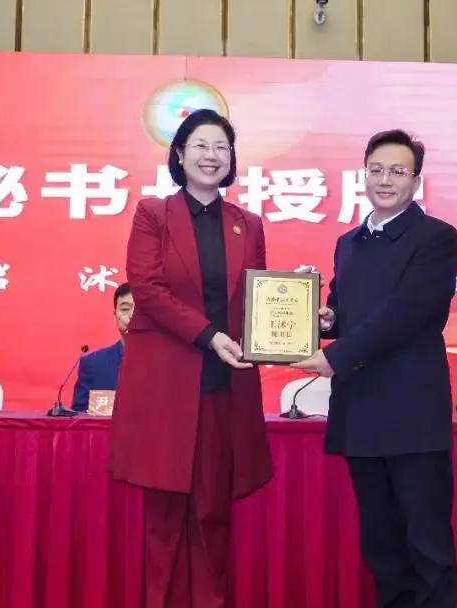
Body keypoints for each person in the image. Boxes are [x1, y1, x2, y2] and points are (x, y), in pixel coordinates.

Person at [109, 109, 272, 608]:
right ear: (179, 154)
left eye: (221, 147)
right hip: (167, 387)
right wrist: (208, 335)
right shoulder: (153, 214)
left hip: (223, 386)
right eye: (200, 145)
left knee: (212, 514)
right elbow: (147, 289)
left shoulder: (248, 224)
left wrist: (298, 319)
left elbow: (257, 300)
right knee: (163, 517)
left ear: (231, 159)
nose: (211, 155)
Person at [293, 129, 457, 608]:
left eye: (398, 171)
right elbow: (346, 310)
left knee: (427, 545)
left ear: (416, 182)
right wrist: (324, 320)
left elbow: (407, 313)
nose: (385, 180)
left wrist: (335, 356)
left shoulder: (436, 237)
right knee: (381, 544)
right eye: (377, 170)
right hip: (361, 411)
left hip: (412, 415)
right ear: (363, 175)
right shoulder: (348, 242)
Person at [70, 282, 133, 411]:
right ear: (115, 315)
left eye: (140, 310)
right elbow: (79, 417)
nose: (132, 315)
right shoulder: (93, 364)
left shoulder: (169, 363)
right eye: (125, 309)